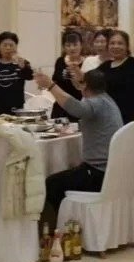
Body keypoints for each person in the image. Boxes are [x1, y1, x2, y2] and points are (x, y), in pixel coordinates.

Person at [35, 68, 123, 227]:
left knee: (51, 183)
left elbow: (76, 108)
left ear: (86, 85)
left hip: (97, 173)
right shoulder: (108, 100)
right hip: (111, 171)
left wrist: (50, 85)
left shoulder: (95, 103)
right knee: (67, 173)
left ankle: (54, 231)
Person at [95, 30, 134, 124]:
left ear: (127, 46)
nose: (116, 46)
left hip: (128, 115)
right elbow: (89, 79)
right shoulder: (105, 66)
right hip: (106, 115)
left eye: (120, 43)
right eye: (112, 43)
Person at [0, 31, 33, 116]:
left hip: (16, 110)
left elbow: (30, 76)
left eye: (11, 45)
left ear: (16, 47)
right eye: (5, 45)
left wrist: (23, 67)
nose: (8, 48)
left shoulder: (22, 63)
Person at [50, 30, 86, 121]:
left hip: (79, 106)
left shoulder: (87, 62)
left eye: (75, 45)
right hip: (61, 105)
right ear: (64, 47)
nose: (72, 48)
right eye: (68, 45)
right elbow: (55, 80)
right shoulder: (60, 61)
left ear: (81, 45)